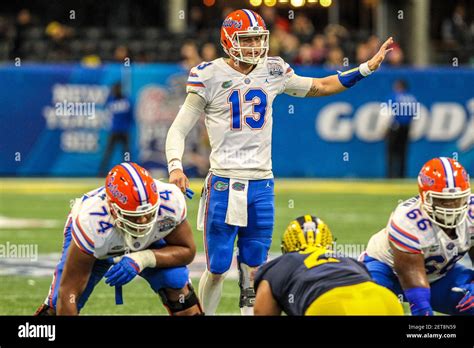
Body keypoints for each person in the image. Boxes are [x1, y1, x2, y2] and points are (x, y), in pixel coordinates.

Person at [165, 8, 394, 315]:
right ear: (228, 41)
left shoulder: (273, 70)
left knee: (253, 266)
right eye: (247, 41)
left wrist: (365, 68)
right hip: (224, 181)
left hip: (261, 181)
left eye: (258, 39)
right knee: (218, 266)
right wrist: (175, 166)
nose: (255, 47)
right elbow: (179, 127)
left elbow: (321, 86)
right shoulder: (208, 74)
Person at [34, 162, 203, 316]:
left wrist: (141, 259)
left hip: (150, 240)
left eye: (149, 213)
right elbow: (68, 291)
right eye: (135, 217)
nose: (143, 221)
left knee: (176, 284)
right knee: (58, 307)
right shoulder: (90, 222)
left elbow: (187, 251)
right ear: (113, 210)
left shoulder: (169, 201)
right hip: (102, 241)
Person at [362, 157, 474, 315]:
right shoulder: (408, 221)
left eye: (457, 199)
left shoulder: (472, 214)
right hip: (386, 270)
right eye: (443, 201)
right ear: (425, 196)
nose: (451, 207)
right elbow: (418, 298)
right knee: (371, 309)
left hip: (438, 275)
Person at [254, 215, 403, 315]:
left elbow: (262, 312)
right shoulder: (350, 262)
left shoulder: (278, 265)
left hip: (329, 304)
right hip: (385, 300)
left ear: (286, 245)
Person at [99, 82, 133, 176]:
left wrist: (128, 126)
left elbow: (131, 115)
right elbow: (106, 109)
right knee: (108, 152)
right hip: (114, 130)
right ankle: (101, 172)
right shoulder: (111, 99)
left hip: (124, 131)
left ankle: (129, 172)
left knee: (126, 153)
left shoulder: (126, 100)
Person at [385, 79, 417, 178]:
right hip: (406, 128)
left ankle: (391, 176)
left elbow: (387, 114)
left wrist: (385, 129)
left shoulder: (393, 96)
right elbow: (415, 115)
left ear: (399, 86)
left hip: (395, 127)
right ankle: (401, 176)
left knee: (391, 153)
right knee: (403, 153)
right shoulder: (412, 98)